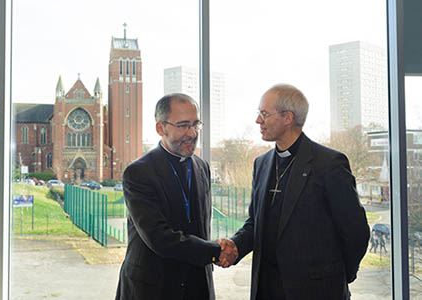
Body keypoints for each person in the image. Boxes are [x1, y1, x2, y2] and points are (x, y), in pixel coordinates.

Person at [217, 84, 370, 300]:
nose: (258, 121)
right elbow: (255, 223)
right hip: (266, 289)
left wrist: (341, 274)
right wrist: (235, 246)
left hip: (317, 291)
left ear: (287, 117)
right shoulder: (261, 164)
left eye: (264, 114)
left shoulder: (329, 164)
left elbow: (356, 232)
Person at [115, 93, 237, 300]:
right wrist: (215, 250)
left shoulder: (202, 167)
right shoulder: (138, 172)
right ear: (160, 128)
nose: (192, 133)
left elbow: (199, 226)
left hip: (197, 286)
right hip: (151, 288)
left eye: (195, 124)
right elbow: (158, 237)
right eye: (183, 125)